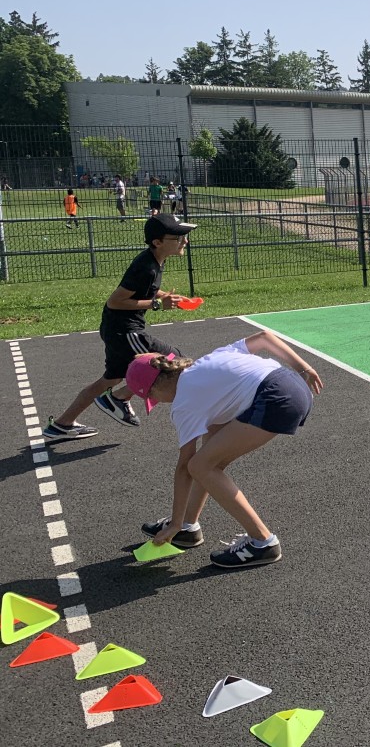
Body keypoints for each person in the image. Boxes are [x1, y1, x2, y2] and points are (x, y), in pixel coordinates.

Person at [132, 330, 323, 569]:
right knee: (211, 445)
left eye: (153, 398)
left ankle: (263, 542)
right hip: (293, 383)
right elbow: (264, 337)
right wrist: (304, 368)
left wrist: (174, 524)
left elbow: (185, 467)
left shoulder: (184, 403)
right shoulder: (209, 360)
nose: (159, 402)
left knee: (200, 465)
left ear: (154, 388)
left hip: (277, 397)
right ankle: (189, 527)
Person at [42, 214, 198, 439]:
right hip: (125, 331)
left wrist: (166, 297)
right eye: (179, 237)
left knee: (111, 378)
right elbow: (115, 301)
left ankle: (62, 424)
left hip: (116, 329)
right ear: (158, 242)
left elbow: (146, 289)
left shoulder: (155, 261)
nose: (185, 241)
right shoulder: (147, 267)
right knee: (173, 359)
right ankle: (117, 398)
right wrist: (156, 304)